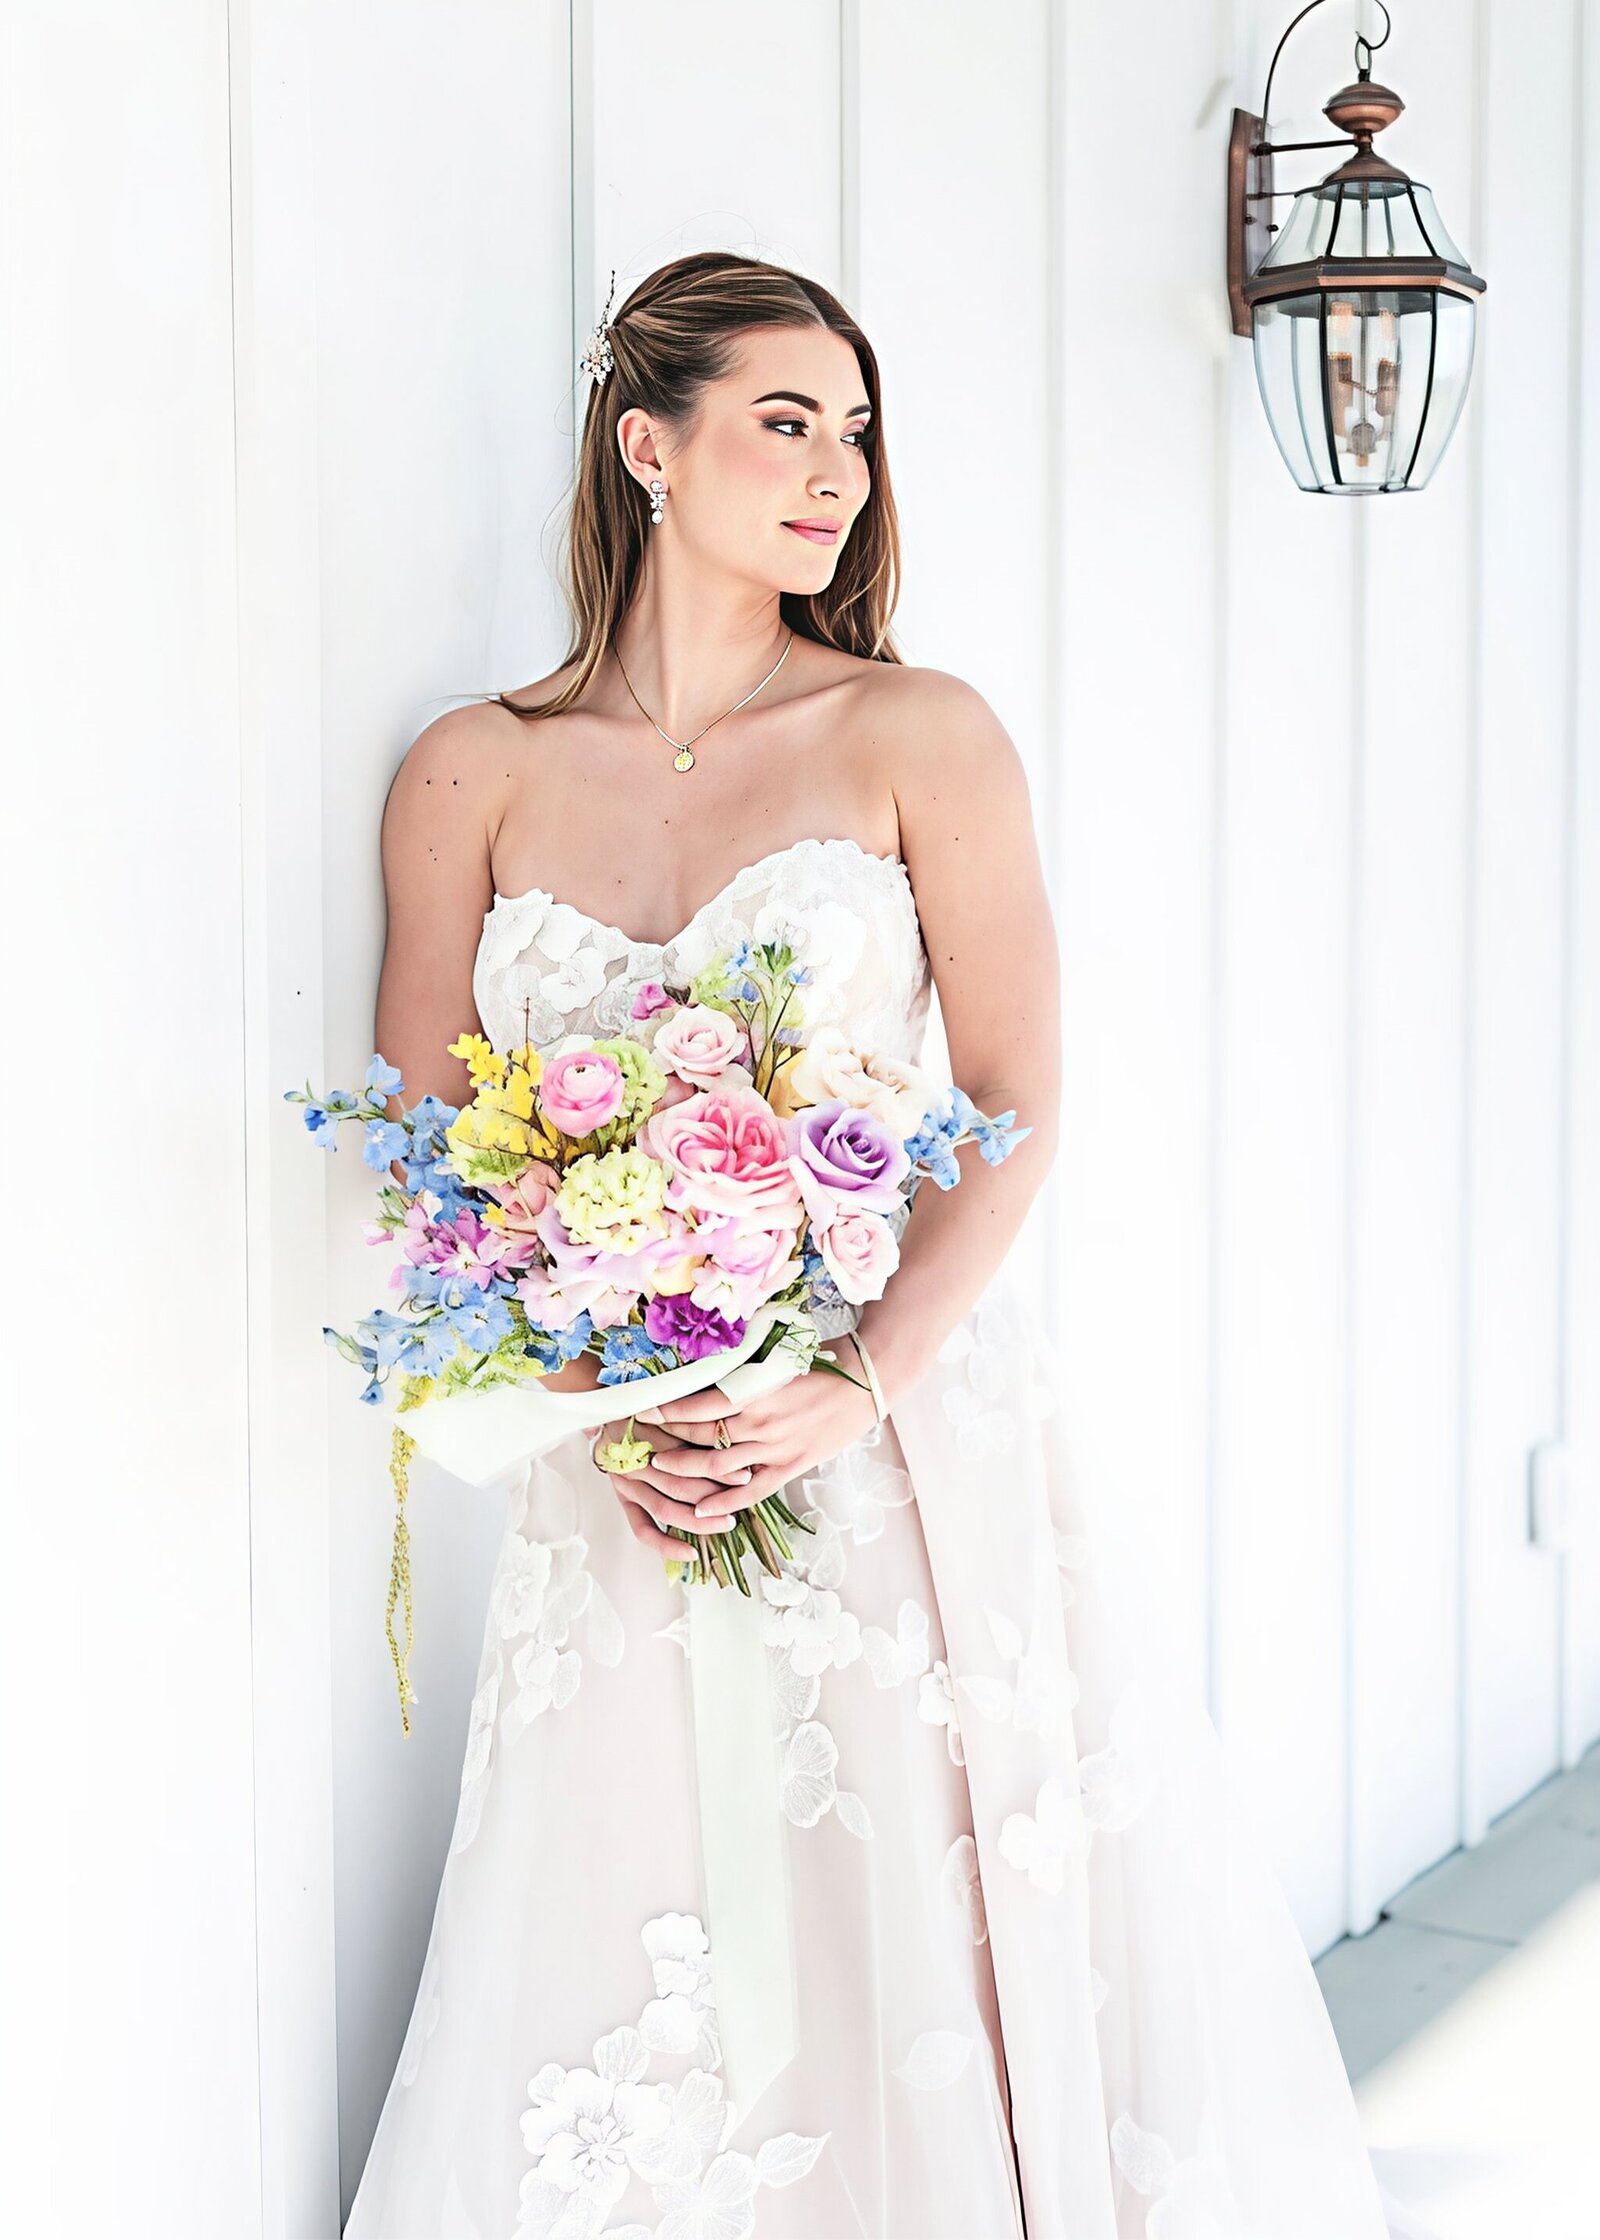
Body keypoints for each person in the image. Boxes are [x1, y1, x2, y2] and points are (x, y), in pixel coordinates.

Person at [345, 250, 1412, 2239]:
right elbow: (424, 1145)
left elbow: (1012, 1098)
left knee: (903, 1900)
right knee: (639, 1896)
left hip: (893, 1431)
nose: (838, 468)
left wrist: (848, 1384)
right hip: (622, 1457)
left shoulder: (917, 731)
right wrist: (591, 1394)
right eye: (785, 423)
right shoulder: (471, 770)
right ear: (645, 446)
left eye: (853, 428)